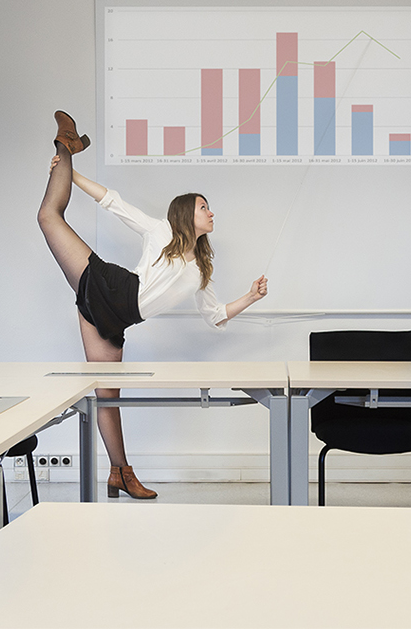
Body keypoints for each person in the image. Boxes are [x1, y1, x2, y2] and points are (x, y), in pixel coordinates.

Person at [38, 111, 268, 498]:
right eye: (203, 207)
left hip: (114, 319)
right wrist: (69, 169)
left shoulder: (201, 272)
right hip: (109, 287)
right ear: (185, 214)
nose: (211, 213)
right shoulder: (160, 231)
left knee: (107, 398)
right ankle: (66, 142)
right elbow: (114, 202)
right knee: (48, 216)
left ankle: (120, 473)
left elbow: (214, 317)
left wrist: (250, 296)